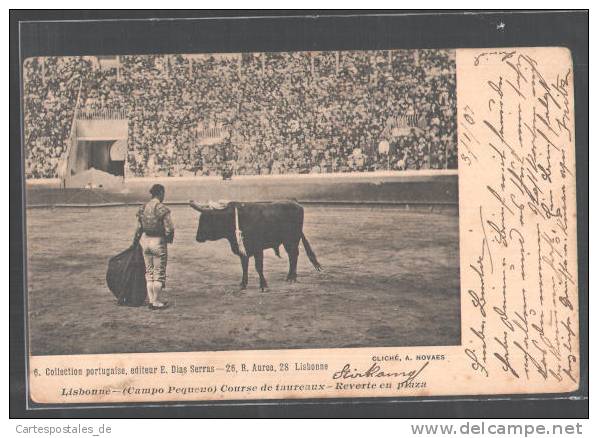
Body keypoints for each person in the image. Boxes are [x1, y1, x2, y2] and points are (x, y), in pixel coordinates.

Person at [133, 184, 174, 310]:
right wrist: (168, 239)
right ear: (160, 193)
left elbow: (138, 228)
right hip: (158, 241)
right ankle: (155, 301)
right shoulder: (162, 208)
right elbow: (169, 228)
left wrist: (135, 242)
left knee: (149, 272)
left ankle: (151, 300)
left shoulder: (143, 208)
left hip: (145, 241)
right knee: (159, 272)